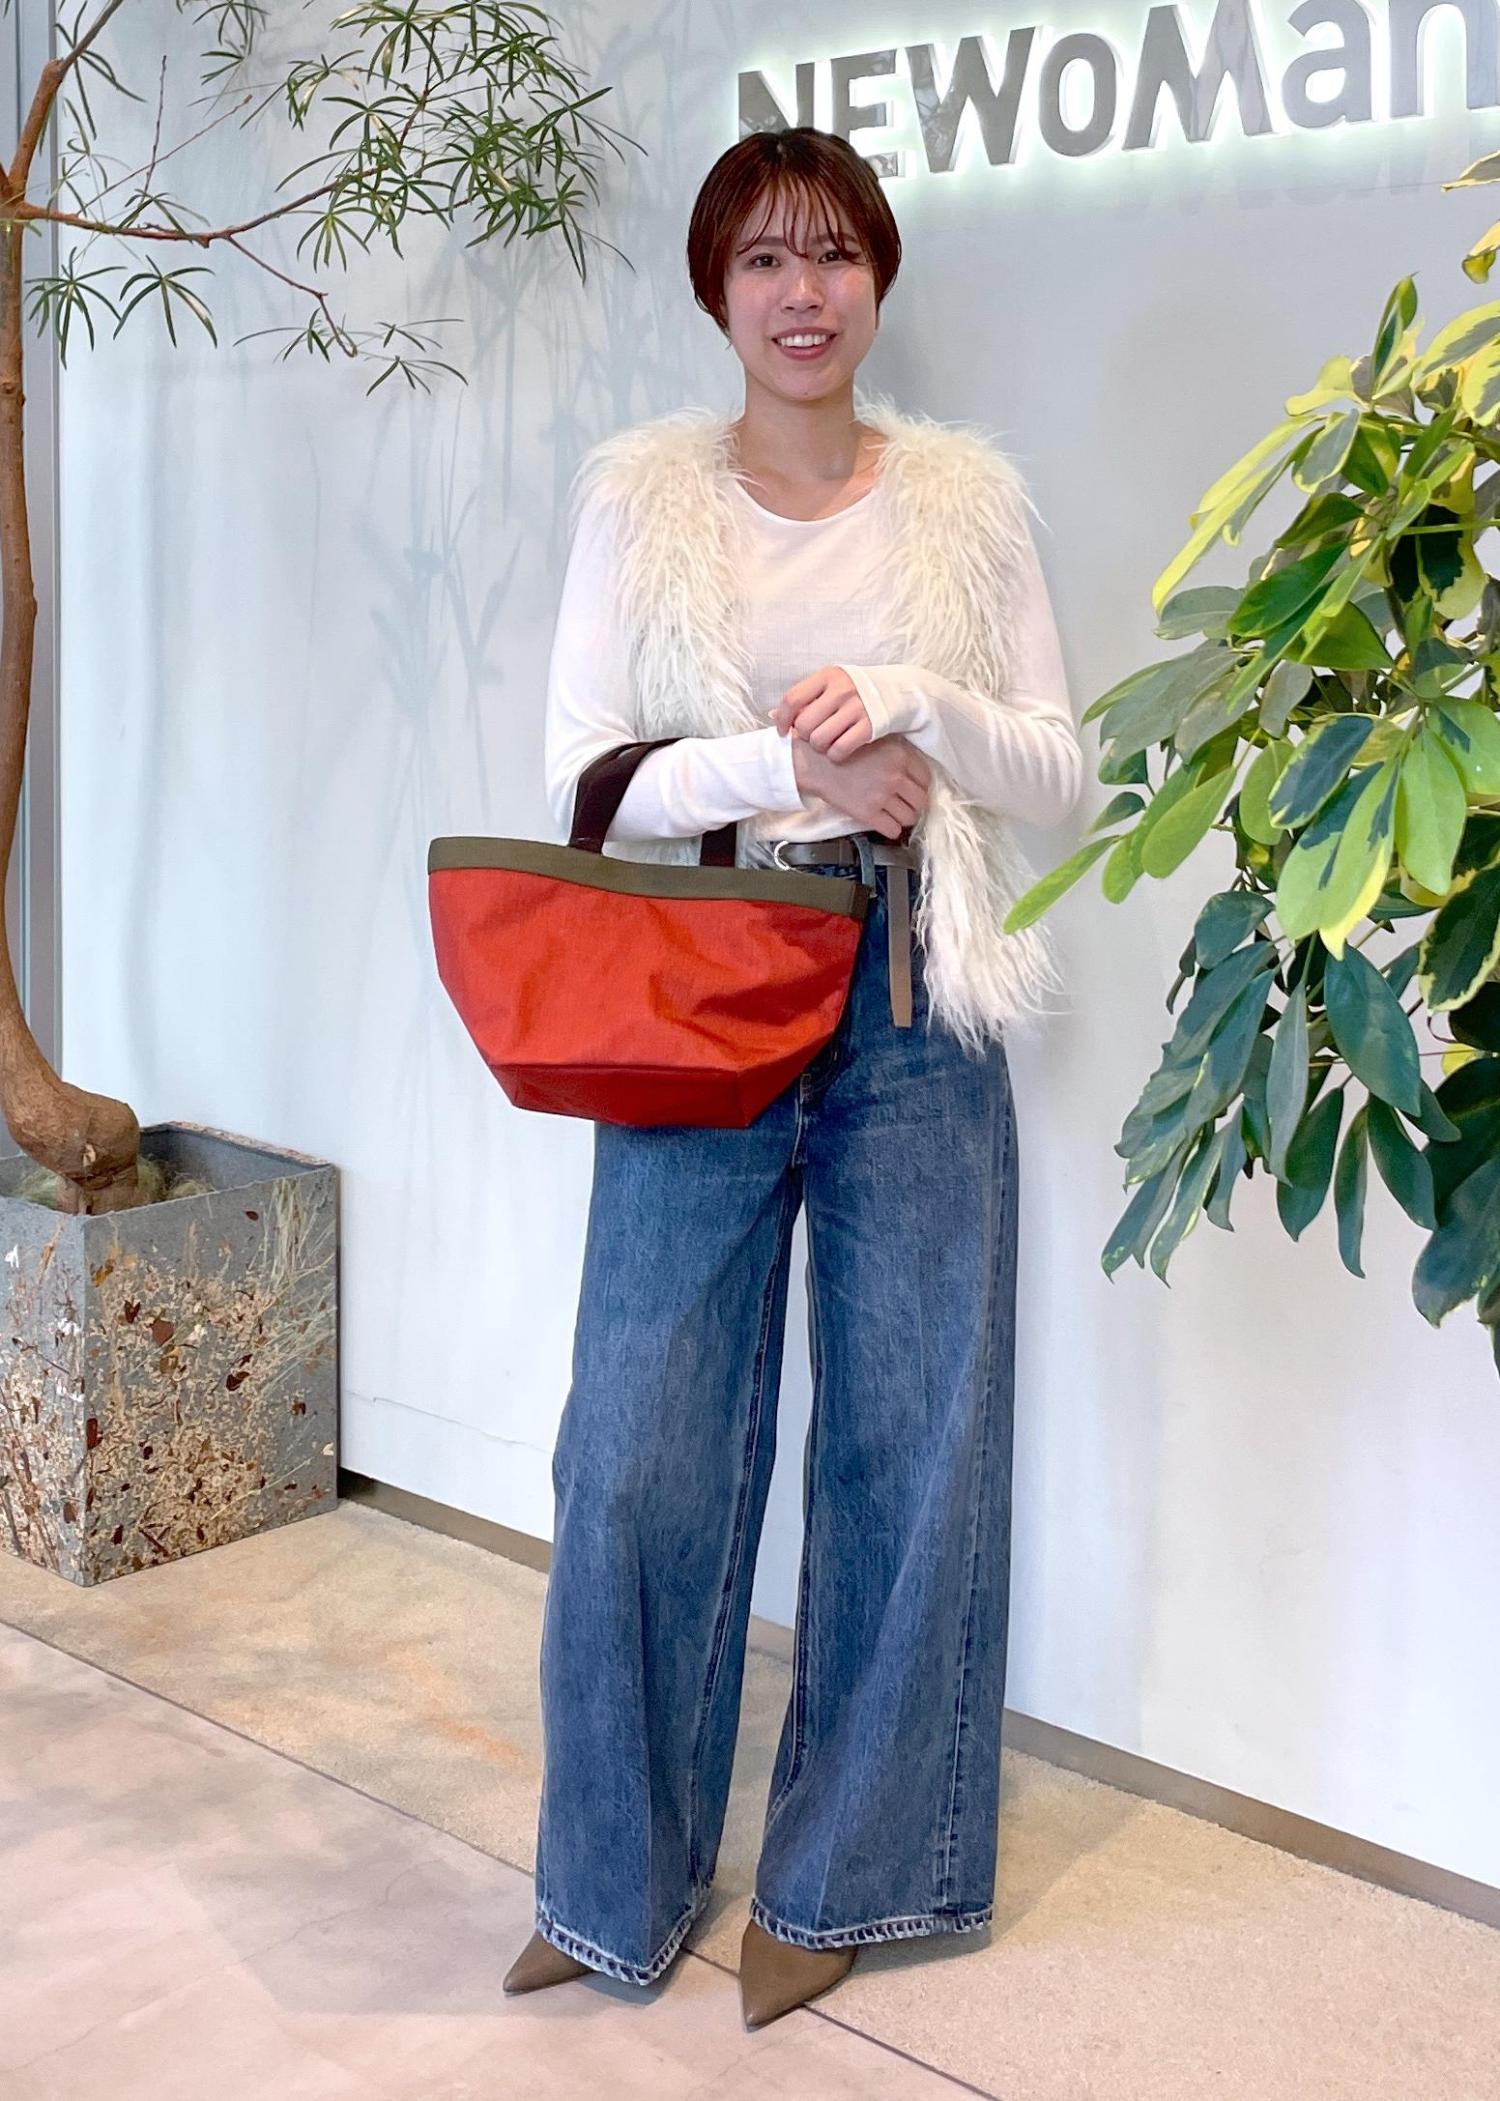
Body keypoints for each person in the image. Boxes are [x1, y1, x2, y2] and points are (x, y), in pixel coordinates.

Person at [503, 125, 1083, 2032]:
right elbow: (588, 779)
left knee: (912, 1440)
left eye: (833, 253)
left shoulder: (965, 505)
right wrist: (789, 766)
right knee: (637, 1442)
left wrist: (911, 703)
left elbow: (1062, 769)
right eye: (764, 259)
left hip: (915, 991)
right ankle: (610, 1877)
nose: (803, 291)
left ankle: (855, 1871)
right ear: (716, 291)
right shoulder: (640, 501)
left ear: (879, 278)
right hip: (703, 990)